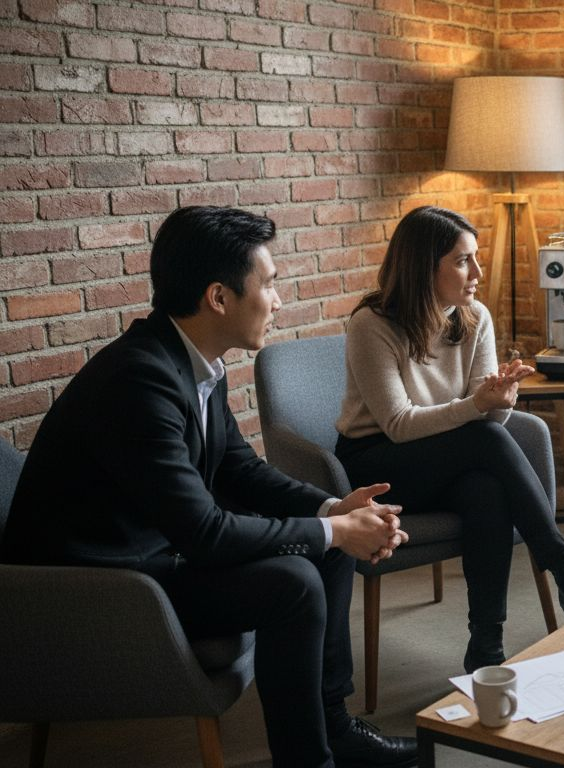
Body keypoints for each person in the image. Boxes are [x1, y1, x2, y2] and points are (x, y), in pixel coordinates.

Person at [0, 206, 418, 768]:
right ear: (219, 297)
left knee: (326, 549)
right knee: (295, 580)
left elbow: (239, 469)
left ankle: (332, 728)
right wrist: (334, 530)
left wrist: (332, 510)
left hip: (147, 554)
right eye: (269, 284)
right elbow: (204, 532)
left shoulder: (192, 362)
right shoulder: (140, 381)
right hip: (98, 587)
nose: (278, 300)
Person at [335, 206, 564, 672]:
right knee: (484, 442)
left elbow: (487, 418)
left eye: (476, 258)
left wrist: (501, 399)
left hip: (450, 452)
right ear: (423, 267)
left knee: (487, 490)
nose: (477, 272)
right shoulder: (371, 324)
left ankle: (486, 645)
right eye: (462, 261)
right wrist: (478, 407)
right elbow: (398, 423)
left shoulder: (474, 316)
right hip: (377, 462)